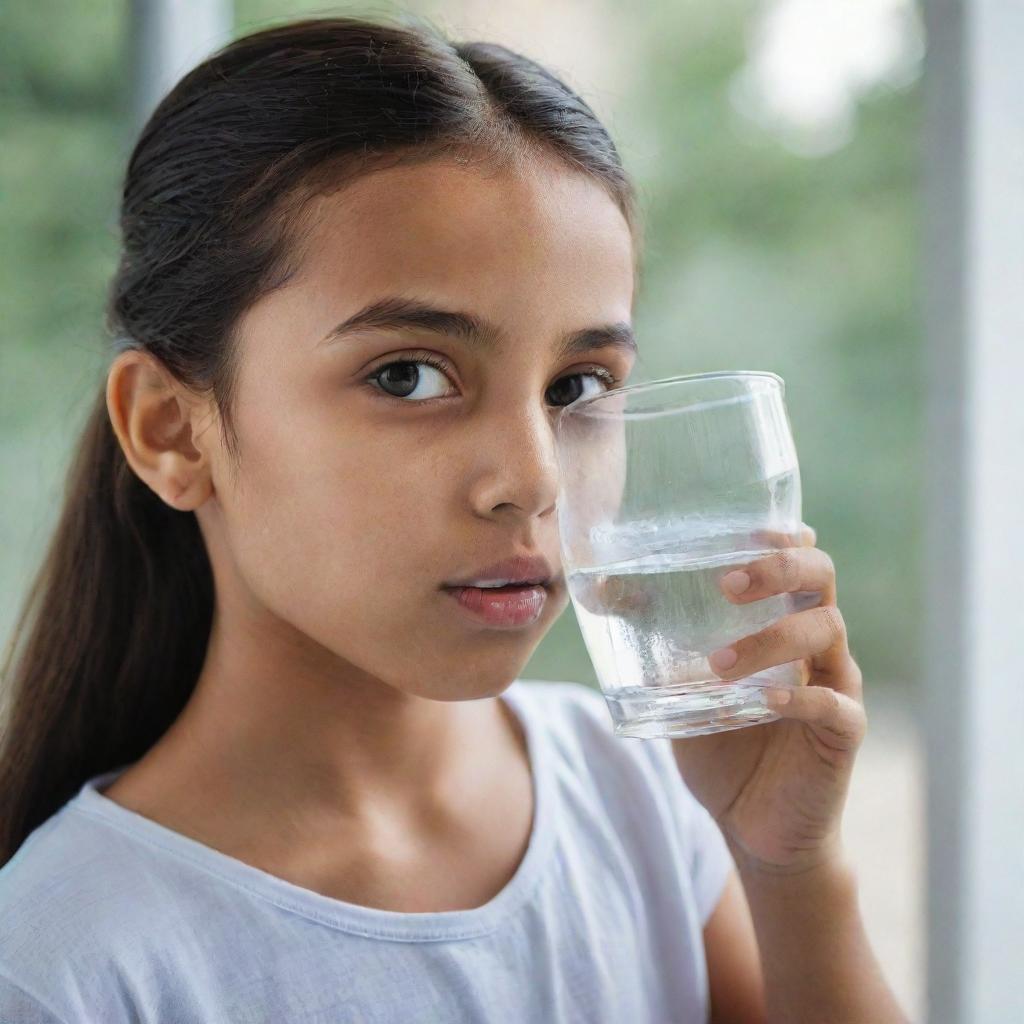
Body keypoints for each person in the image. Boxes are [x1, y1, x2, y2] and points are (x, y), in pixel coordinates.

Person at [0, 13, 909, 1023]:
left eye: (576, 386)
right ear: (172, 430)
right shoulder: (62, 966)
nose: (530, 477)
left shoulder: (643, 797)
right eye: (408, 374)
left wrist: (791, 871)